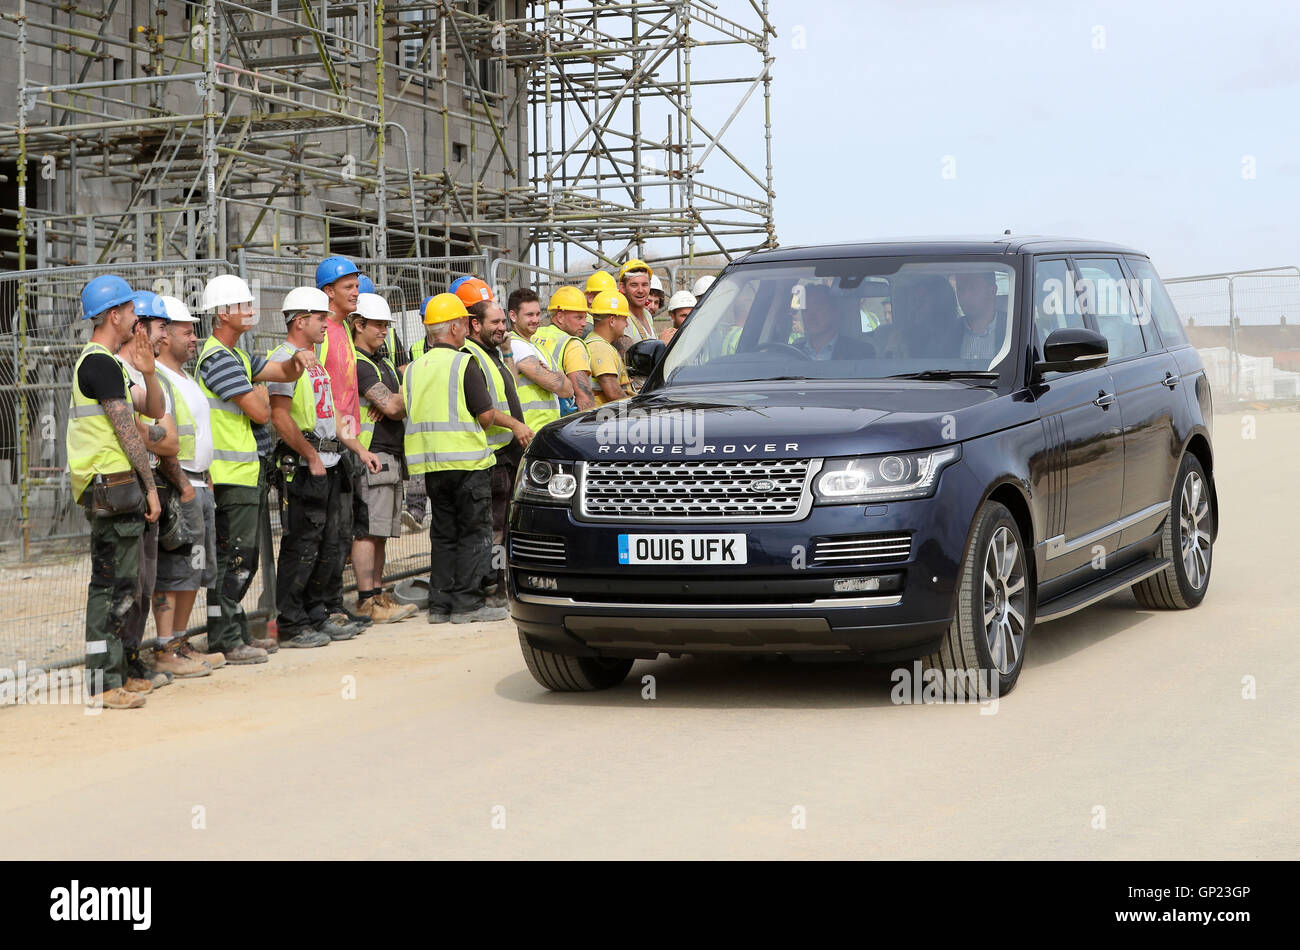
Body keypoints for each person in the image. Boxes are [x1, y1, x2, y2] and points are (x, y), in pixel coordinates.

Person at [197, 273, 315, 664]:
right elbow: (262, 411)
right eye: (244, 306)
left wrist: (295, 361)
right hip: (231, 477)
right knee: (235, 559)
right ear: (223, 313)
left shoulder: (239, 356)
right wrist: (262, 394)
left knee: (239, 559)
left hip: (244, 473)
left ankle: (233, 632)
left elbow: (280, 373)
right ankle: (226, 639)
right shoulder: (217, 359)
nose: (251, 311)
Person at [403, 294, 531, 624]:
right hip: (468, 464)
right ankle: (466, 604)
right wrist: (514, 423)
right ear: (457, 326)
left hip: (430, 466)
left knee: (444, 535)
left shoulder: (415, 368)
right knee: (475, 533)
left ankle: (440, 605)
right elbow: (486, 415)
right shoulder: (463, 363)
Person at [68, 276, 162, 709]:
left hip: (112, 486)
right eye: (130, 311)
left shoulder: (108, 364)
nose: (135, 320)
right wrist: (150, 486)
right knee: (111, 586)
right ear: (114, 315)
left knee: (123, 584)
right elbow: (129, 434)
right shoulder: (100, 364)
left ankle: (117, 674)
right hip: (112, 486)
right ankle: (102, 684)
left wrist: (147, 370)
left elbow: (152, 412)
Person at [267, 287, 378, 647]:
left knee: (330, 542)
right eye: (318, 318)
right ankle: (291, 622)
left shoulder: (313, 360)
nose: (324, 324)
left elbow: (332, 416)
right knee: (303, 543)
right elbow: (280, 417)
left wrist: (358, 448)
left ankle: (317, 613)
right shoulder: (285, 360)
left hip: (328, 460)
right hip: (302, 464)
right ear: (300, 321)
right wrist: (311, 455)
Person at [117, 291, 208, 685]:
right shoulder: (116, 372)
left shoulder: (148, 376)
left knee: (147, 580)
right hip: (130, 487)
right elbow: (134, 434)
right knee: (128, 581)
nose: (163, 336)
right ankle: (126, 665)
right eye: (160, 327)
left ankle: (136, 661)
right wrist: (145, 433)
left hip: (153, 485)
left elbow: (166, 439)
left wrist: (143, 432)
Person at [151, 295, 226, 672]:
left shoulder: (186, 378)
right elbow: (162, 440)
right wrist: (181, 483)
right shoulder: (159, 380)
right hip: (178, 484)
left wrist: (205, 478)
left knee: (195, 568)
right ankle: (166, 646)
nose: (194, 338)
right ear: (164, 337)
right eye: (187, 331)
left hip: (197, 483)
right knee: (175, 567)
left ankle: (180, 641)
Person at [349, 292, 418, 623]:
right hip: (371, 454)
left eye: (385, 325)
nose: (383, 331)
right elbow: (392, 406)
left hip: (388, 453)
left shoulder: (382, 362)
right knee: (367, 531)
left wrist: (397, 399)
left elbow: (395, 402)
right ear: (358, 325)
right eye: (377, 325)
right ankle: (366, 599)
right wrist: (399, 398)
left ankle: (377, 594)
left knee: (381, 532)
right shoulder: (359, 363)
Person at [314, 256, 374, 629]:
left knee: (341, 533)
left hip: (346, 444)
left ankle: (334, 604)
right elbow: (322, 397)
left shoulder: (342, 333)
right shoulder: (323, 335)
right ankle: (324, 609)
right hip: (328, 445)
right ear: (328, 292)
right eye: (348, 286)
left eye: (356, 285)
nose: (356, 291)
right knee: (327, 534)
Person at [463, 297, 535, 604]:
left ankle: (501, 582)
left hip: (507, 454)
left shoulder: (492, 353)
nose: (502, 328)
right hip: (493, 456)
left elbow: (510, 387)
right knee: (494, 529)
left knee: (504, 526)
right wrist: (516, 426)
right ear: (475, 324)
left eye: (503, 322)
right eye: (495, 323)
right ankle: (491, 585)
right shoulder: (473, 355)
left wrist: (506, 351)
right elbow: (486, 410)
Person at [506, 288, 571, 431]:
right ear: (513, 316)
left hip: (544, 429)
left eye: (537, 314)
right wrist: (554, 376)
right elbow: (557, 385)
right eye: (529, 315)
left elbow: (568, 390)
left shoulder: (538, 347)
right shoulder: (514, 344)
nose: (535, 320)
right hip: (529, 430)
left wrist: (552, 377)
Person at [531, 286, 595, 414]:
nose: (584, 323)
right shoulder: (572, 345)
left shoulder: (532, 336)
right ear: (560, 317)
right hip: (559, 423)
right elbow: (585, 398)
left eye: (585, 317)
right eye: (578, 317)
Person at [791, 284, 876, 361]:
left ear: (834, 312)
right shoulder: (790, 353)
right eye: (806, 310)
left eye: (818, 308)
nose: (811, 315)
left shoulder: (861, 352)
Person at [586, 291, 635, 405]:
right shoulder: (600, 348)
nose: (626, 325)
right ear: (612, 320)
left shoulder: (598, 343)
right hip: (605, 418)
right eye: (624, 319)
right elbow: (613, 393)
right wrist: (635, 407)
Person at [955, 271, 1006, 362]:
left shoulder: (1016, 328)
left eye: (973, 288)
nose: (965, 296)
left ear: (992, 291)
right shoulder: (948, 332)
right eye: (960, 289)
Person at [615, 259, 656, 353]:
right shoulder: (620, 318)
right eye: (634, 285)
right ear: (622, 287)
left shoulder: (647, 315)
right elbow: (628, 358)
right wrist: (662, 345)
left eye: (645, 285)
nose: (640, 290)